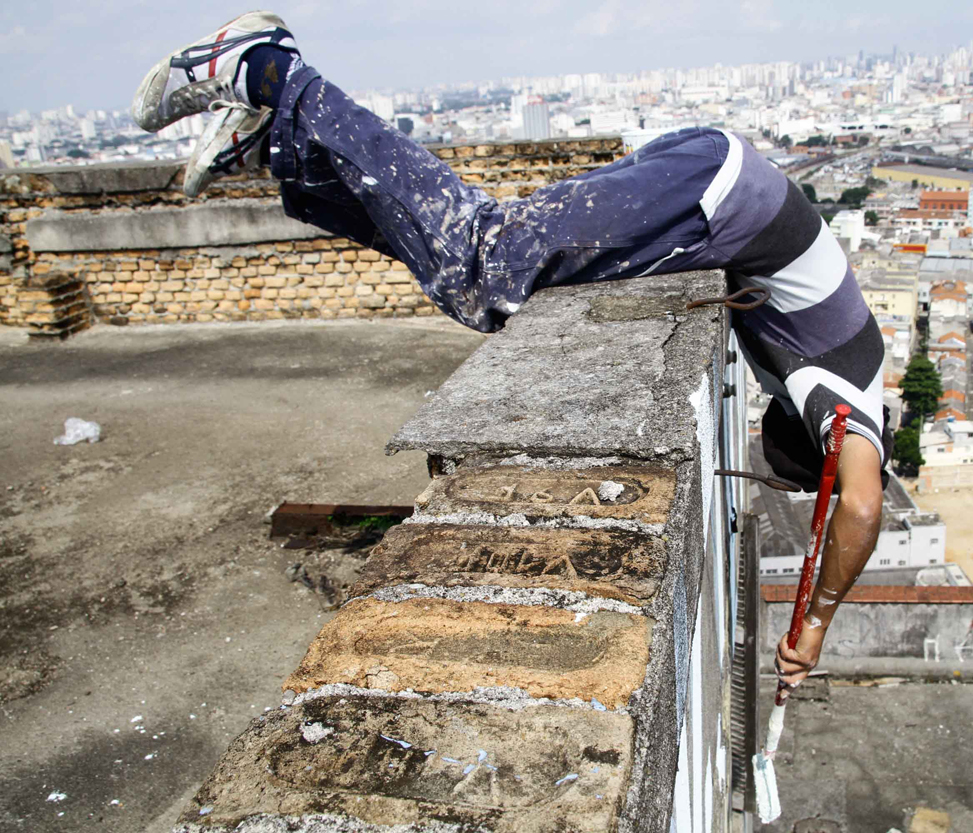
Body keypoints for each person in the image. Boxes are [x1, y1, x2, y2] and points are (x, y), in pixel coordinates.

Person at [133, 11, 888, 698]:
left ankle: (275, 142)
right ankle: (267, 69)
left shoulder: (839, 371)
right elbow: (859, 502)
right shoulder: (839, 392)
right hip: (715, 199)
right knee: (485, 265)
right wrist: (815, 621)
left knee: (460, 271)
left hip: (716, 185)